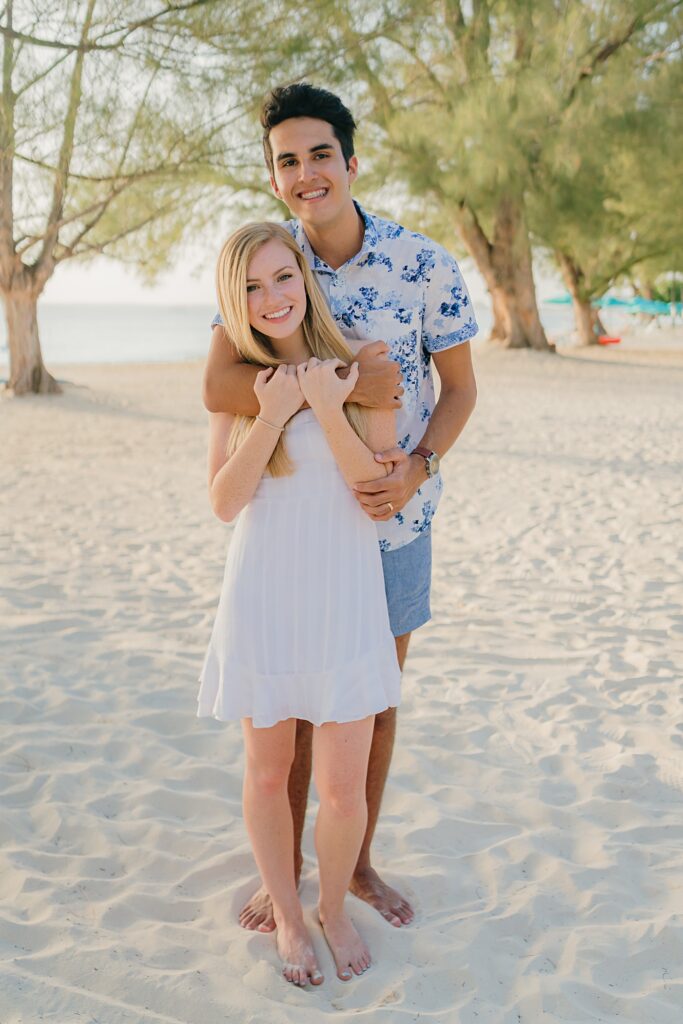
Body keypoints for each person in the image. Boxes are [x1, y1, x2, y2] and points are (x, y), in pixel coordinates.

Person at [203, 82, 478, 933]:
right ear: (275, 178)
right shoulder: (268, 261)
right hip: (298, 528)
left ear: (350, 161)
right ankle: (283, 872)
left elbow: (461, 390)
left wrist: (419, 468)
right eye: (288, 161)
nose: (307, 172)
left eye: (320, 154)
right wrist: (351, 382)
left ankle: (353, 865)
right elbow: (217, 383)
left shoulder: (424, 263)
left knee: (370, 699)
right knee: (289, 702)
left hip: (394, 519)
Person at [197, 221, 402, 986]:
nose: (271, 298)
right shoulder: (236, 380)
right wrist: (277, 414)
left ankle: (334, 907)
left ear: (305, 278)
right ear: (234, 302)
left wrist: (324, 400)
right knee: (265, 770)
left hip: (344, 596)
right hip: (263, 595)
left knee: (343, 788)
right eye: (251, 288)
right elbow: (222, 502)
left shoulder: (368, 363)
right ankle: (287, 911)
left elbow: (375, 497)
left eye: (282, 277)